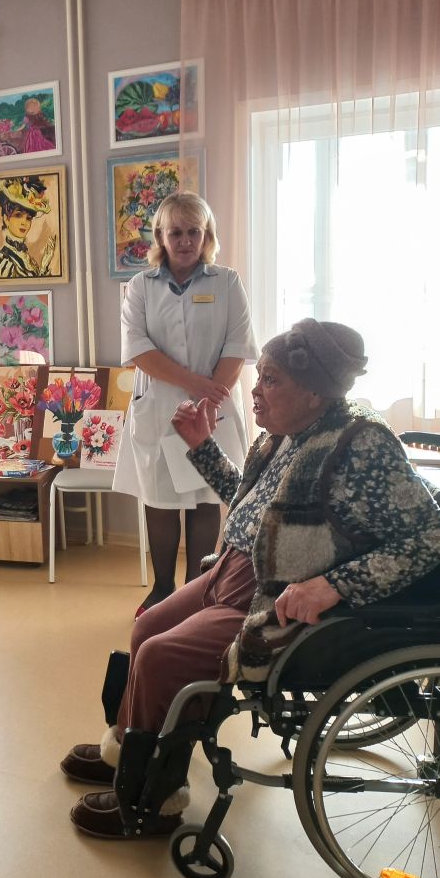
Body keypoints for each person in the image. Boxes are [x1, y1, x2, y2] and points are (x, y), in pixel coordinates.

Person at [62, 319, 440, 839]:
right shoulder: (288, 434)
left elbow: (430, 536)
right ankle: (128, 751)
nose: (255, 390)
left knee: (160, 657)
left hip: (269, 595)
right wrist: (201, 446)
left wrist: (335, 585)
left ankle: (150, 803)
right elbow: (256, 506)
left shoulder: (360, 445)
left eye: (271, 379)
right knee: (147, 628)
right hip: (231, 568)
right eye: (258, 376)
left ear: (315, 392)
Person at [112, 191, 258, 606]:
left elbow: (238, 346)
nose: (185, 240)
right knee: (159, 498)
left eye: (194, 231)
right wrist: (197, 384)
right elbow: (138, 350)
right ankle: (162, 589)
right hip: (158, 408)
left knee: (206, 498)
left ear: (206, 235)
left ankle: (196, 593)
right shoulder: (140, 287)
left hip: (215, 409)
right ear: (160, 236)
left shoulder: (227, 282)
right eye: (175, 232)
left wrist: (210, 398)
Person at [0, 177, 57, 279]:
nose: (24, 223)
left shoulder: (28, 259)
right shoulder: (0, 260)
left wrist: (44, 265)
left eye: (28, 218)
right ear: (6, 218)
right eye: (18, 215)